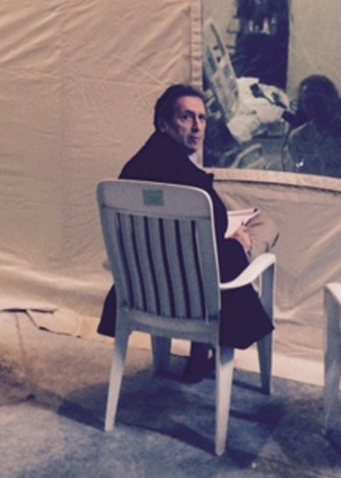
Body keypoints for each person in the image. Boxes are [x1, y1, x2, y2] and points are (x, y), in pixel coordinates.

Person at [97, 84, 274, 382]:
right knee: (262, 228)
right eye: (186, 118)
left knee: (210, 247)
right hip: (192, 297)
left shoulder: (128, 175)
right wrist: (235, 242)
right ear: (164, 123)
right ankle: (203, 346)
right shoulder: (191, 182)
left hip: (145, 292)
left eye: (202, 119)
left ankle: (199, 352)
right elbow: (216, 231)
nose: (197, 128)